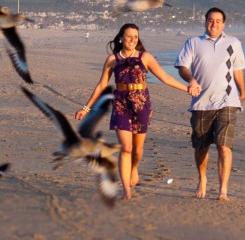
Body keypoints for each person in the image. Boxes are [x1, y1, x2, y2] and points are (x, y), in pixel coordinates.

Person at [75, 23, 191, 200]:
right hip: (121, 104)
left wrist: (187, 88)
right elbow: (101, 85)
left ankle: (134, 168)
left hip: (141, 104)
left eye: (135, 37)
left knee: (137, 150)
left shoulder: (145, 57)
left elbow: (165, 78)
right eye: (129, 36)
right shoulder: (112, 59)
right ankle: (127, 191)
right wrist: (86, 108)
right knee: (126, 148)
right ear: (121, 37)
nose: (132, 40)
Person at [175, 7, 245, 201]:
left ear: (223, 24)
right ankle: (203, 179)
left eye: (218, 21)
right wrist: (190, 80)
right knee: (201, 147)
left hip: (227, 101)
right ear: (205, 22)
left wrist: (242, 90)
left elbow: (238, 69)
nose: (214, 24)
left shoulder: (233, 42)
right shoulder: (193, 43)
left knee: (224, 146)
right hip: (201, 103)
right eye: (210, 20)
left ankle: (223, 189)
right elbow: (182, 67)